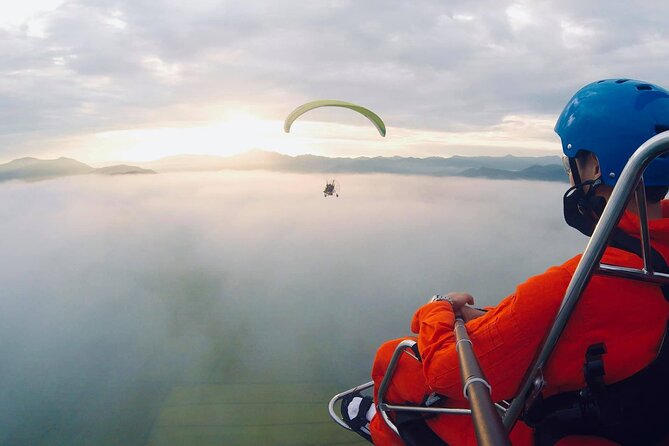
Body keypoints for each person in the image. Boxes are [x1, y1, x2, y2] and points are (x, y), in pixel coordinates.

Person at [343, 79, 669, 445]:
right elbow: (556, 328)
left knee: (398, 360)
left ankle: (379, 418)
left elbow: (447, 373)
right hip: (635, 422)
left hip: (573, 434)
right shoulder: (652, 265)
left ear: (594, 163)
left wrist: (437, 309)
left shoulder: (577, 284)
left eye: (570, 162)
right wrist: (491, 319)